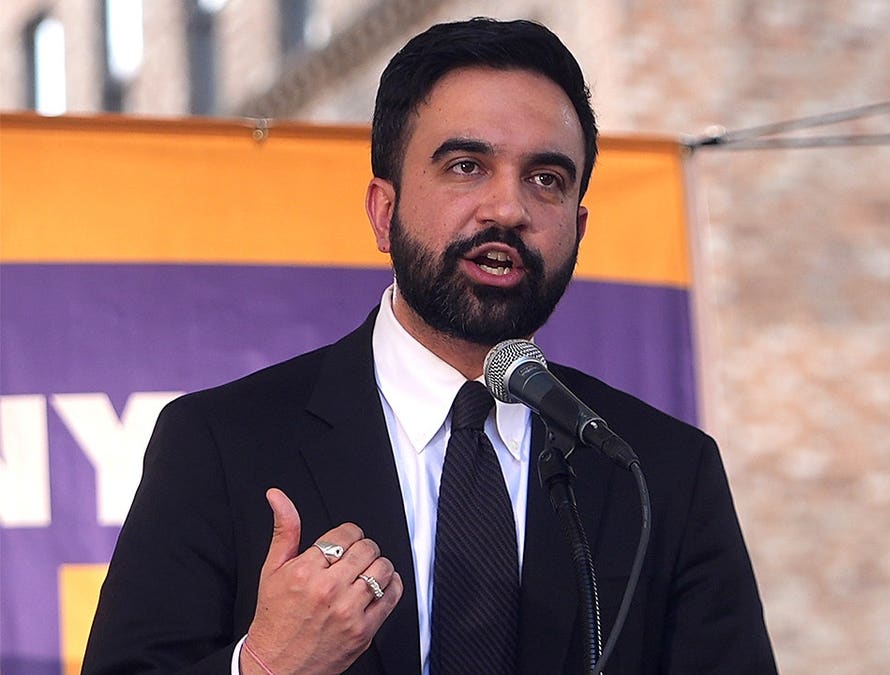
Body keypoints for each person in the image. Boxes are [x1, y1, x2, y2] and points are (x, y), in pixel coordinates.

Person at [82, 17, 776, 675]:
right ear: (384, 213)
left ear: (578, 226)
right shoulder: (220, 442)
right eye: (467, 166)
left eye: (546, 179)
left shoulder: (657, 472)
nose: (508, 209)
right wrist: (266, 662)